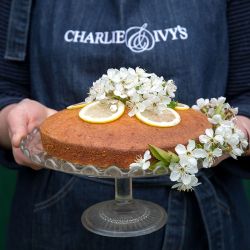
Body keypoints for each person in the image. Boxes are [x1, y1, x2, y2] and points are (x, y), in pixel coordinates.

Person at [0, 0, 250, 249]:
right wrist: (15, 118)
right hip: (57, 215)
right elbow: (5, 91)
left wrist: (236, 132)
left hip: (199, 215)